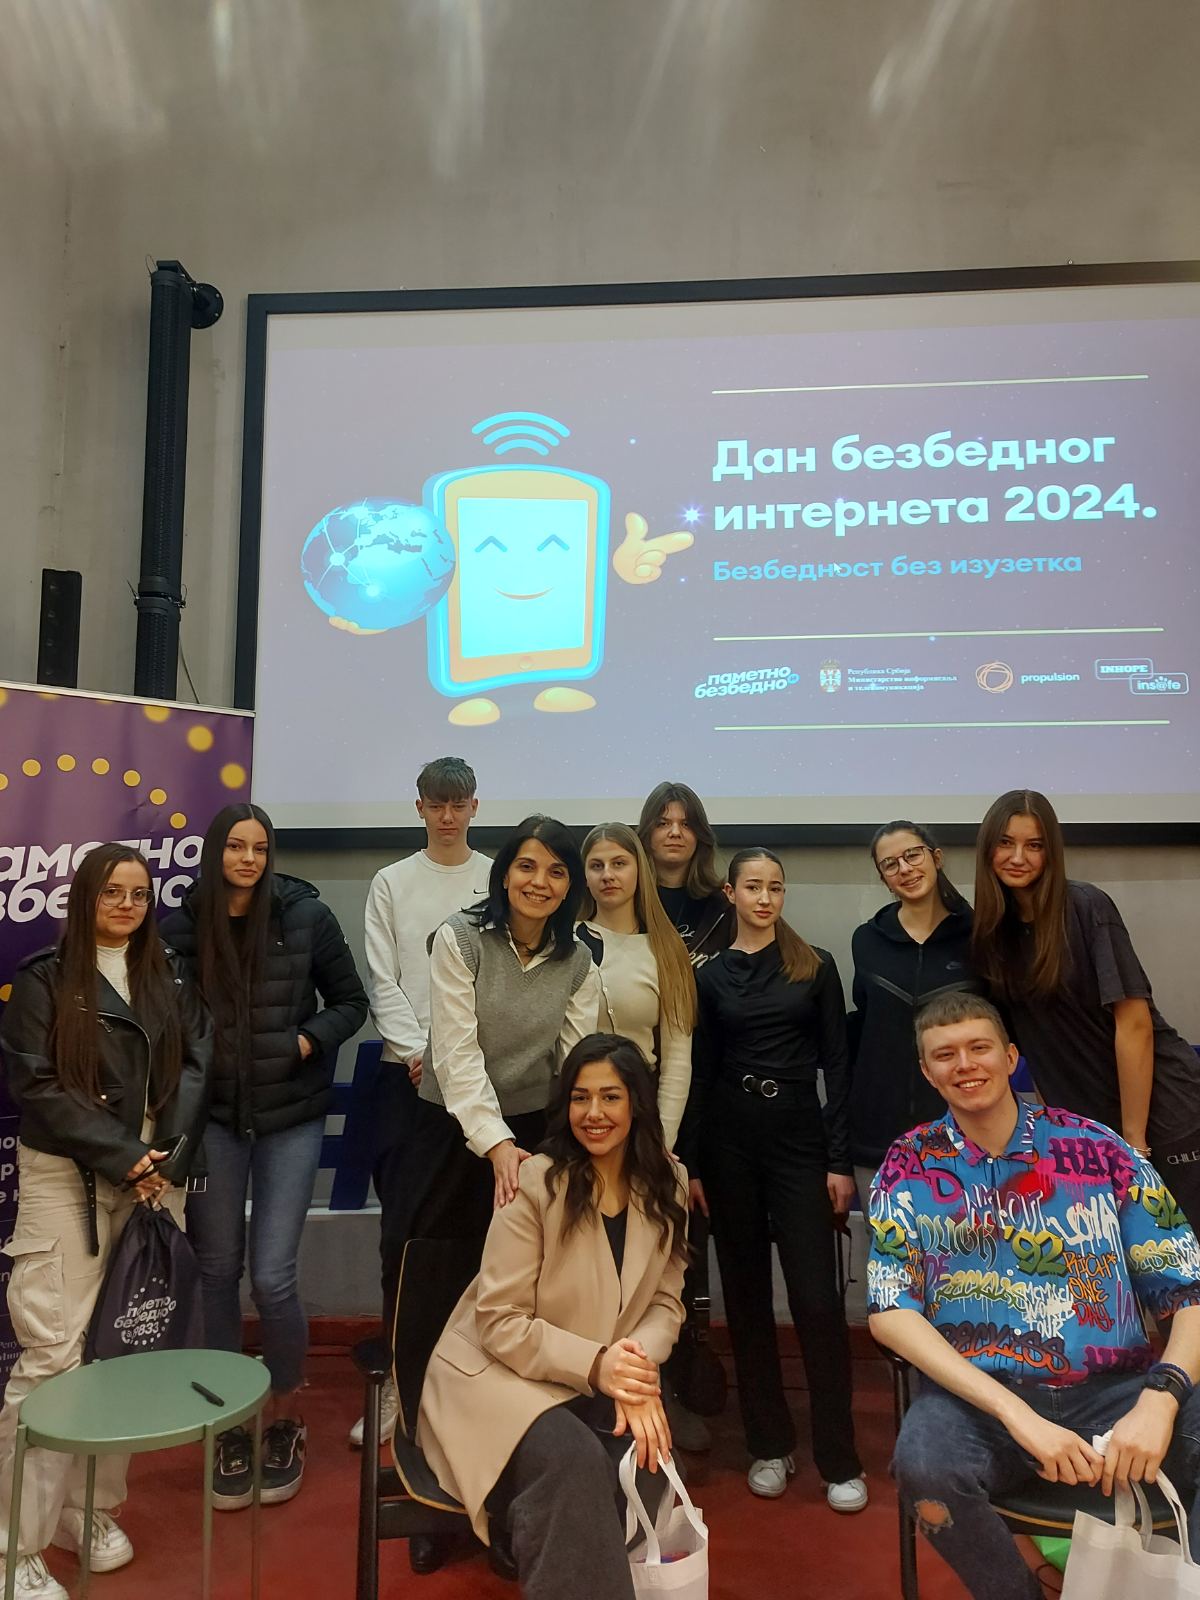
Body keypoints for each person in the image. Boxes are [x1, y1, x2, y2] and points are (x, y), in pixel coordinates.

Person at [868, 990, 1200, 1600]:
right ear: (926, 1071)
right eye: (944, 1054)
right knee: (925, 1466)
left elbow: (1189, 1290)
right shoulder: (907, 1165)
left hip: (1116, 1393)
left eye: (979, 1047)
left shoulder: (1098, 1149)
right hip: (980, 1404)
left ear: (1010, 1057)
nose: (964, 1065)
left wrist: (1162, 1398)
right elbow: (891, 1312)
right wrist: (1015, 1414)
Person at [0, 844, 210, 1600]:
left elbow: (198, 1063)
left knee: (128, 1350)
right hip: (71, 1176)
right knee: (53, 1356)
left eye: (139, 893)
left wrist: (165, 1161)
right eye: (112, 892)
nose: (127, 905)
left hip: (154, 1179)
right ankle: (13, 1546)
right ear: (84, 897)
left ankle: (86, 1508)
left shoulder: (170, 973)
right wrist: (123, 1155)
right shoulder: (45, 980)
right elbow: (35, 1082)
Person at [418, 1033, 688, 1600]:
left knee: (649, 1460)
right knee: (574, 1461)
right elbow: (499, 1320)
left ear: (637, 1103)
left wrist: (633, 1371)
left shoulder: (670, 1182)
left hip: (595, 1374)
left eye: (610, 1097)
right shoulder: (535, 1181)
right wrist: (600, 1366)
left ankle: (531, 1536)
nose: (594, 1113)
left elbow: (666, 1300)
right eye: (580, 1097)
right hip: (498, 1377)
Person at [161, 803, 368, 1511]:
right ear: (215, 852)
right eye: (235, 846)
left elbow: (350, 1002)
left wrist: (303, 1042)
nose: (247, 859)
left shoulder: (306, 917)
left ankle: (283, 1413)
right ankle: (228, 1419)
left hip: (290, 1117)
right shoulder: (182, 927)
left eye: (259, 848)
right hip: (213, 1122)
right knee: (217, 1271)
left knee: (274, 1277)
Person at [680, 848, 866, 1508]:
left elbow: (837, 1068)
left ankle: (839, 1457)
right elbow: (700, 1073)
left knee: (816, 1301)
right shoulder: (709, 977)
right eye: (753, 887)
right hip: (729, 1144)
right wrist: (693, 1164)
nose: (765, 898)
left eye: (775, 887)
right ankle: (769, 1443)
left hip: (799, 1142)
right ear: (730, 893)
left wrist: (839, 1161)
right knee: (747, 1297)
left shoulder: (814, 965)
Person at [972, 787, 1200, 1233]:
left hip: (1163, 1119)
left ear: (1051, 853)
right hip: (1089, 1133)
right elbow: (1030, 1041)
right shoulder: (993, 933)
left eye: (1034, 845)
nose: (1018, 857)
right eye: (1006, 842)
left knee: (1182, 1261)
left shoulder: (1085, 906)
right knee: (1118, 1261)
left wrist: (1134, 1142)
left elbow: (1134, 1023)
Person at [352, 756, 491, 1450]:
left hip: (483, 1085)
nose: (447, 816)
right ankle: (398, 1386)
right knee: (401, 1240)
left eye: (458, 804)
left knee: (484, 1239)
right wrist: (419, 1054)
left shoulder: (498, 877)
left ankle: (472, 1386)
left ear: (474, 807)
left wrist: (459, 1063)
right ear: (419, 809)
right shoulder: (391, 882)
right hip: (405, 1082)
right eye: (436, 805)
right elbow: (383, 977)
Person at [409, 815, 601, 1250]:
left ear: (569, 887)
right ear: (504, 875)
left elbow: (574, 1066)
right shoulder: (459, 938)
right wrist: (496, 1143)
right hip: (451, 1125)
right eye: (527, 867)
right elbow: (457, 1055)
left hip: (533, 1128)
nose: (540, 883)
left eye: (557, 872)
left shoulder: (579, 963)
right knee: (440, 1258)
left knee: (523, 1259)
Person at [849, 820, 977, 1212]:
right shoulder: (867, 940)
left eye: (912, 855)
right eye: (890, 864)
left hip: (964, 1139)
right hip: (877, 1141)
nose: (904, 868)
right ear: (883, 878)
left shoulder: (981, 936)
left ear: (936, 858)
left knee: (968, 1249)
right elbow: (866, 1028)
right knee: (887, 1250)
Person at [577, 823, 694, 1149]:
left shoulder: (667, 949)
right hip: (577, 1112)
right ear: (584, 876)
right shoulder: (565, 943)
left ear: (640, 870)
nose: (607, 875)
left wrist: (662, 1144)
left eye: (619, 863)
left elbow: (677, 1060)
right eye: (596, 866)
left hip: (641, 1114)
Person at [636, 782, 733, 967]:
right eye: (663, 824)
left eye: (686, 824)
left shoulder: (722, 906)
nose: (675, 833)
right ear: (647, 834)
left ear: (700, 835)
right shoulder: (627, 900)